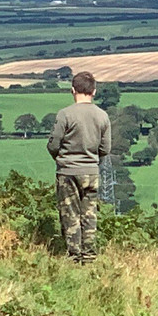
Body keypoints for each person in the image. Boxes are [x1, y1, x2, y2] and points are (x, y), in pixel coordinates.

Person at [46, 71, 111, 264]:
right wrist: (92, 161)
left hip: (68, 171)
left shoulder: (65, 114)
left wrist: (61, 159)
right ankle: (89, 256)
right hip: (91, 172)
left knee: (70, 215)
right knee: (89, 214)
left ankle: (74, 257)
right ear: (94, 91)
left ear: (73, 90)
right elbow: (105, 149)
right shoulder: (102, 116)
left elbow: (53, 145)